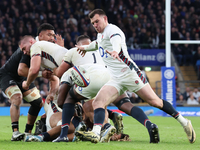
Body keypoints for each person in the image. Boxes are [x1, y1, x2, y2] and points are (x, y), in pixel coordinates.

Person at [75, 9, 196, 144]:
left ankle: (184, 122)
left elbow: (116, 40)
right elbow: (97, 44)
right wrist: (85, 48)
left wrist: (116, 50)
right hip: (116, 79)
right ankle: (96, 133)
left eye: (97, 21)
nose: (95, 25)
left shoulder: (112, 30)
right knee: (98, 102)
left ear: (105, 19)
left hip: (130, 73)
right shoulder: (101, 35)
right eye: (93, 23)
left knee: (155, 102)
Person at [51, 35, 160, 143]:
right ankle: (149, 124)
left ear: (78, 45)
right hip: (112, 78)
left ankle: (101, 127)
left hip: (91, 81)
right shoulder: (101, 49)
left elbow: (61, 73)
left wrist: (54, 68)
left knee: (78, 102)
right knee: (126, 105)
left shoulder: (74, 51)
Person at [0, 23, 59, 141]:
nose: (52, 38)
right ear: (40, 36)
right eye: (49, 35)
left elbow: (54, 76)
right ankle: (15, 133)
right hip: (8, 76)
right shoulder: (32, 47)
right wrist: (42, 74)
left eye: (53, 35)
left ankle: (28, 132)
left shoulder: (49, 49)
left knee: (38, 102)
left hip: (24, 78)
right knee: (17, 97)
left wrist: (52, 93)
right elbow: (21, 70)